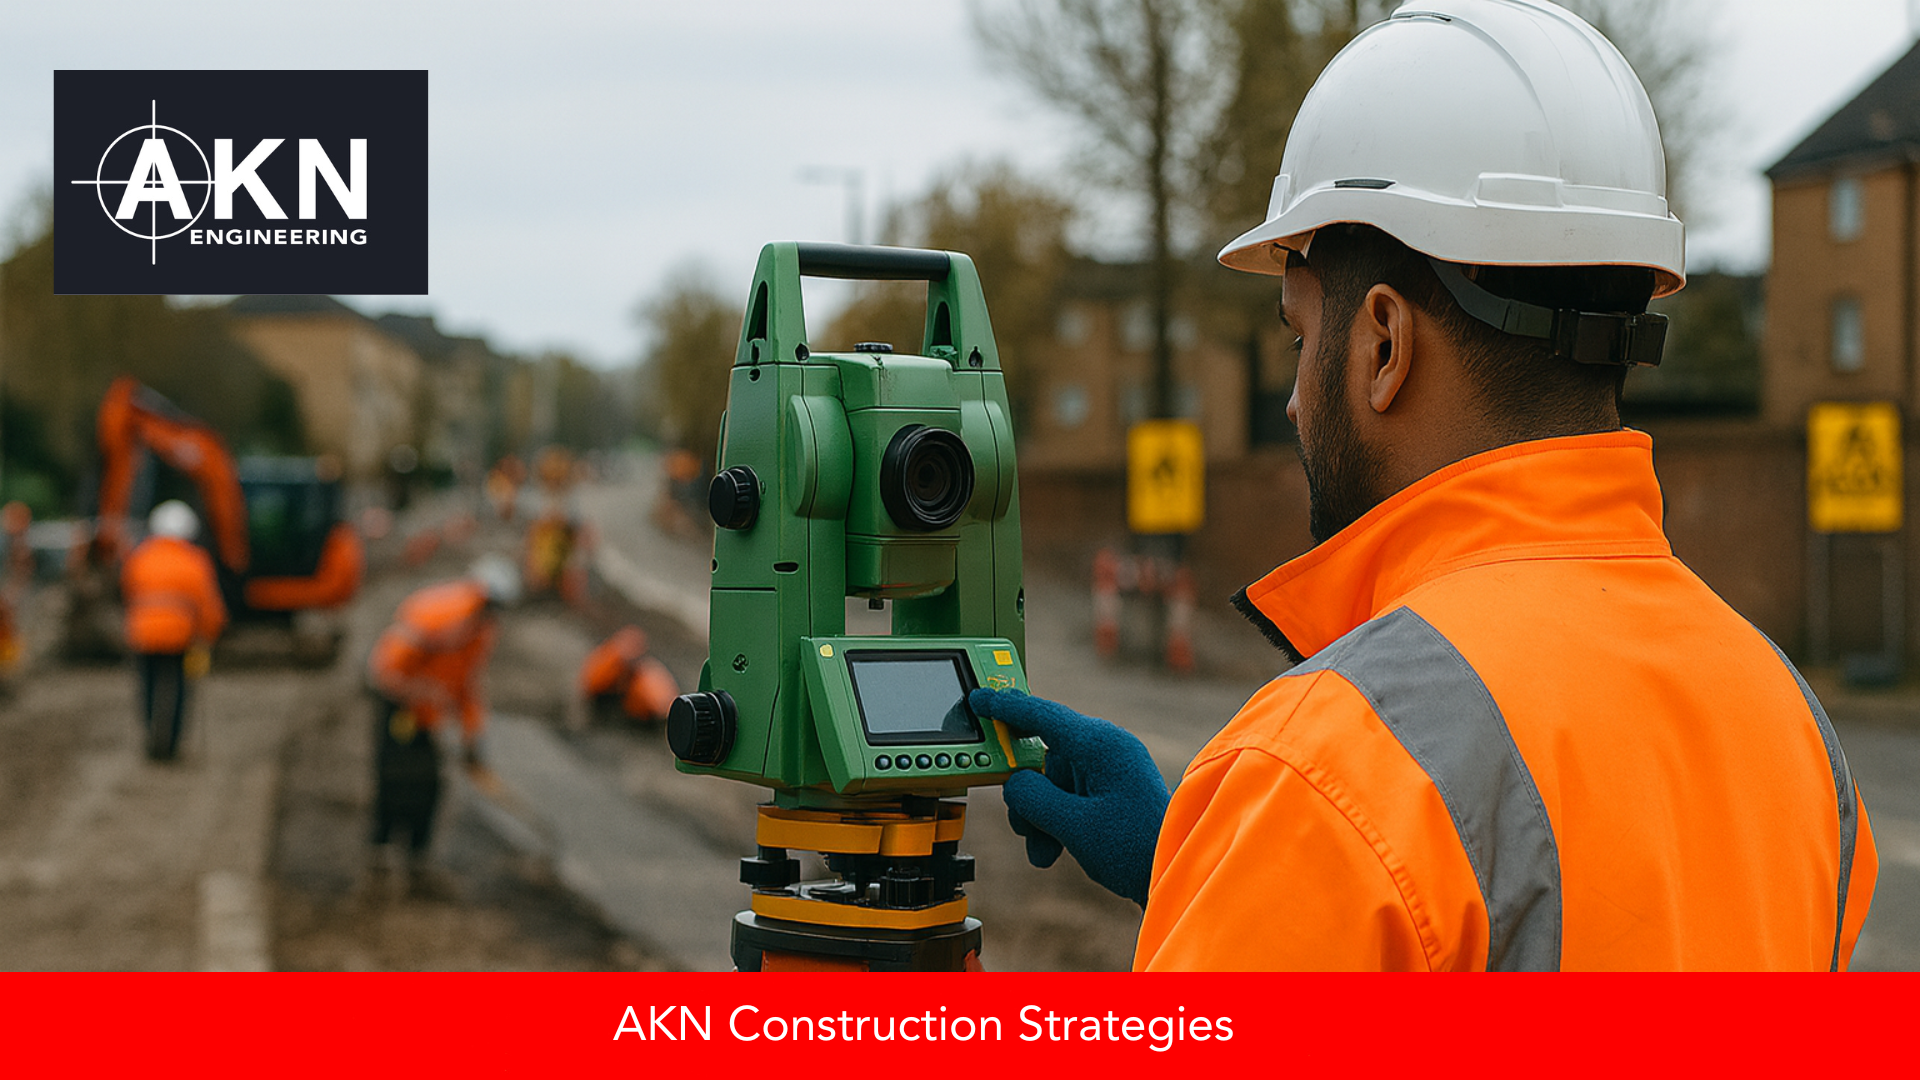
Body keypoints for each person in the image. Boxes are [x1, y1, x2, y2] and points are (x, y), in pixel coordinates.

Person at [972, 0, 1879, 970]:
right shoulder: (1792, 726)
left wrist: (1275, 861)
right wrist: (1210, 874)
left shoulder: (1326, 769)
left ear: (1385, 344)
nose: (1287, 401)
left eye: (1298, 337)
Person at [364, 554, 520, 888]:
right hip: (400, 707)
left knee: (429, 784)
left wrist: (471, 737)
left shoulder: (479, 631)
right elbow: (387, 670)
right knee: (394, 777)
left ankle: (416, 857)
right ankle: (379, 852)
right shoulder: (441, 616)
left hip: (425, 713)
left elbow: (466, 685)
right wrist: (418, 691)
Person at [121, 500, 227, 760]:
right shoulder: (195, 561)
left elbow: (128, 592)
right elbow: (207, 603)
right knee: (179, 687)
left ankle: (150, 735)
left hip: (143, 634)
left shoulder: (140, 557)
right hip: (181, 635)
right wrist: (210, 633)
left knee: (148, 684)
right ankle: (171, 744)